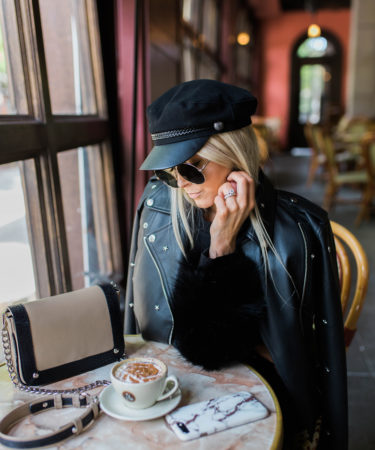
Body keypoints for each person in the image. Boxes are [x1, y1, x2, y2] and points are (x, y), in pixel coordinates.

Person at [124, 79, 347, 449]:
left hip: (251, 399)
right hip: (167, 385)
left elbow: (215, 352)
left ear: (234, 153)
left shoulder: (301, 229)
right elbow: (150, 327)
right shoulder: (158, 209)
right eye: (169, 171)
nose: (182, 184)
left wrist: (222, 243)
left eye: (193, 167)